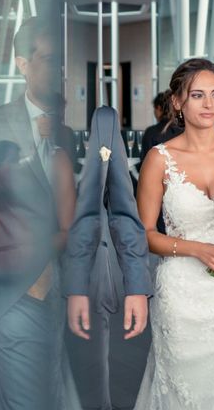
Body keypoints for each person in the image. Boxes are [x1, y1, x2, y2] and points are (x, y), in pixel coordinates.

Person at [0, 17, 80, 410]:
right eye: (48, 58)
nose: (58, 69)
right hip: (14, 295)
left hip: (63, 294)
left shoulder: (66, 134)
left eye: (62, 61)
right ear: (23, 64)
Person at [134, 58, 214, 409]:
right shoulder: (159, 159)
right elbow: (144, 234)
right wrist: (196, 249)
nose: (209, 104)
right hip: (180, 295)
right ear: (177, 101)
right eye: (197, 95)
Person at [64, 106, 152, 409]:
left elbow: (120, 214)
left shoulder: (103, 125)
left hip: (84, 277)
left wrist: (136, 286)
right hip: (21, 285)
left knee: (89, 381)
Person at [138, 90, 182, 166]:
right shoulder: (185, 130)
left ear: (158, 108)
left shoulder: (151, 132)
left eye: (154, 109)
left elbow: (144, 163)